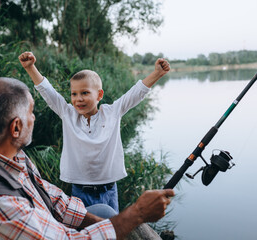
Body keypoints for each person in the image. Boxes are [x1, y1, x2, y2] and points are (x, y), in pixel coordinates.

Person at [0, 77, 175, 240]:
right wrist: (137, 214)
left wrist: (111, 224)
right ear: (16, 127)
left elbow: (54, 200)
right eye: (31, 113)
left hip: (47, 224)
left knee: (106, 214)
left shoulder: (8, 155)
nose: (34, 118)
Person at [19, 51, 171, 212]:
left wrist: (157, 73)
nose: (79, 99)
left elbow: (136, 93)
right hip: (79, 191)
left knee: (112, 232)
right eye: (74, 94)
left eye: (85, 93)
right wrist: (30, 67)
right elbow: (47, 91)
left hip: (109, 190)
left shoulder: (112, 113)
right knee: (85, 235)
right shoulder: (68, 114)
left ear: (99, 95)